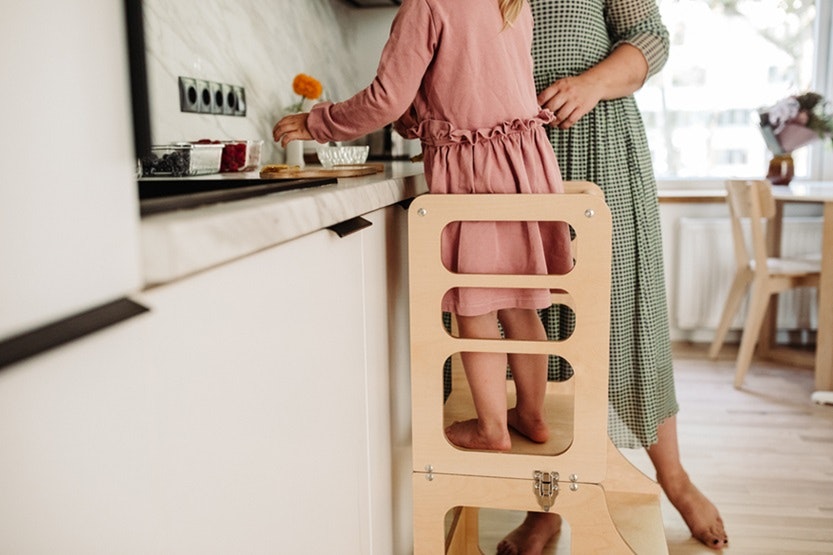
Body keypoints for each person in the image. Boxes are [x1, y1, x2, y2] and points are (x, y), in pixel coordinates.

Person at [273, 0, 573, 452]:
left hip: (476, 174)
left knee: (475, 304)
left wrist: (318, 122)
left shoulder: (427, 5)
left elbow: (386, 98)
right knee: (519, 300)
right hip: (526, 165)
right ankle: (530, 414)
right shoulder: (511, 3)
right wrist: (424, 115)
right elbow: (479, 84)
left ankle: (493, 429)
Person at [495, 1, 729, 553]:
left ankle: (675, 480)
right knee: (535, 327)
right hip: (515, 159)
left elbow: (650, 38)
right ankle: (543, 506)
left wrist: (590, 84)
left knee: (627, 318)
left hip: (600, 147)